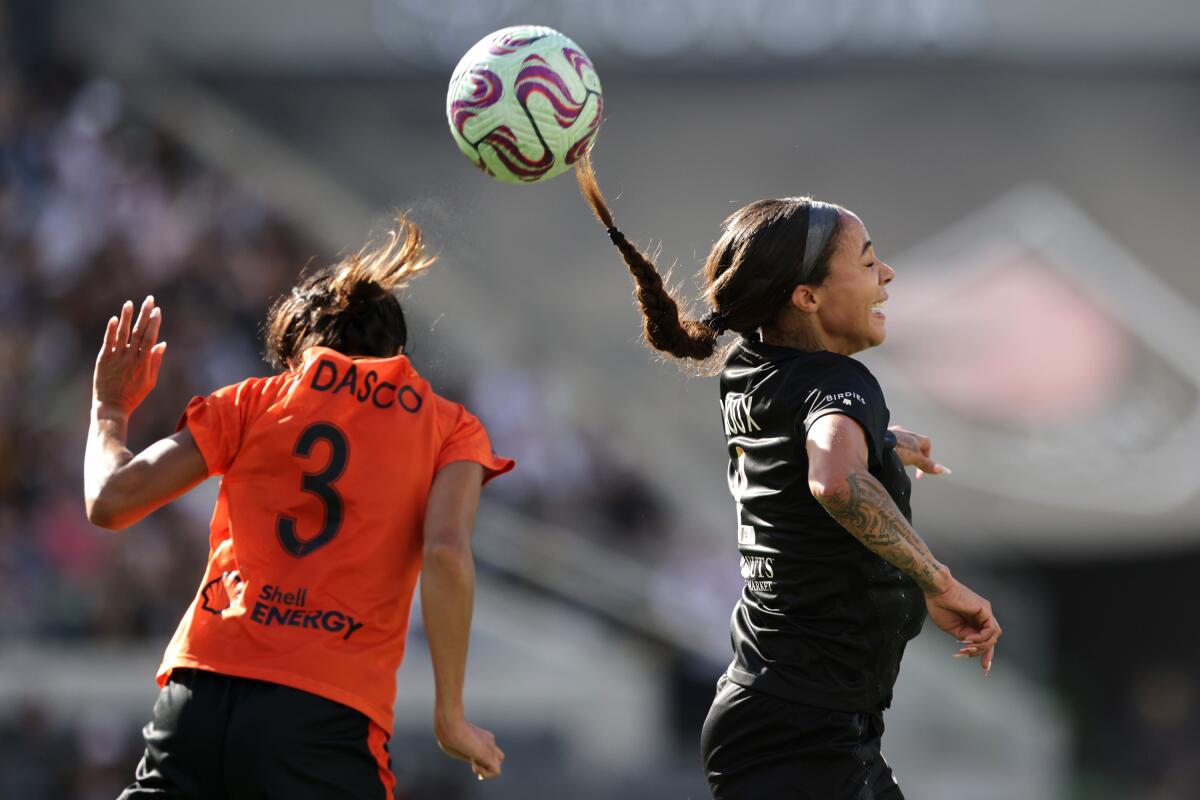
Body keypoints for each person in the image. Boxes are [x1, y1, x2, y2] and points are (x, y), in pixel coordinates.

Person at [574, 155, 1001, 799]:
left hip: (795, 724)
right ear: (806, 297)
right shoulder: (838, 381)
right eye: (866, 262)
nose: (886, 275)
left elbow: (791, 436)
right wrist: (938, 581)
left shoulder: (750, 362)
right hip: (801, 734)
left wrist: (883, 445)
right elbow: (833, 482)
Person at [84, 217, 513, 798]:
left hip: (199, 694)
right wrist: (450, 715)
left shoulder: (253, 401)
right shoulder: (448, 427)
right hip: (324, 711)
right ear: (397, 353)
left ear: (295, 353)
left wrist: (110, 408)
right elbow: (444, 551)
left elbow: (111, 500)